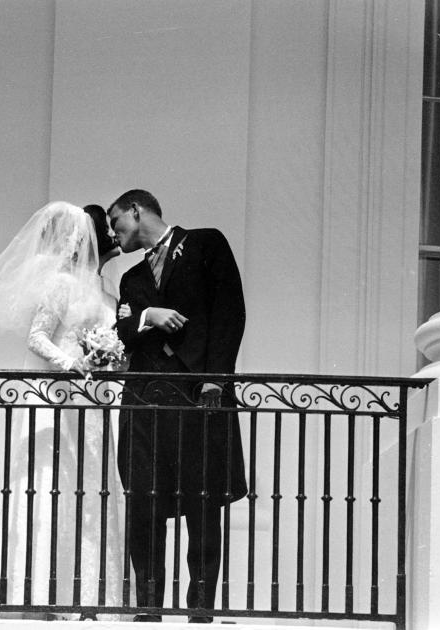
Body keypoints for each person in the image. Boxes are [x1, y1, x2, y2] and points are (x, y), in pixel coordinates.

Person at [108, 189, 248, 622]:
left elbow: (230, 312)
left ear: (137, 209)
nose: (115, 234)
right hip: (145, 403)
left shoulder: (205, 243)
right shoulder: (131, 279)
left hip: (197, 396)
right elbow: (122, 331)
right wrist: (149, 316)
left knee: (202, 502)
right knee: (144, 502)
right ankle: (149, 605)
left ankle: (200, 609)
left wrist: (215, 381)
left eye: (117, 222)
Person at [0, 201, 124, 616]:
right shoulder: (60, 284)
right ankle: (43, 595)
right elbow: (38, 337)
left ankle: (92, 599)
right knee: (53, 487)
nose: (111, 240)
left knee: (92, 491)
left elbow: (112, 342)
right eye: (104, 234)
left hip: (94, 406)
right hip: (58, 401)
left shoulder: (109, 294)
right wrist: (72, 362)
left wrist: (110, 355)